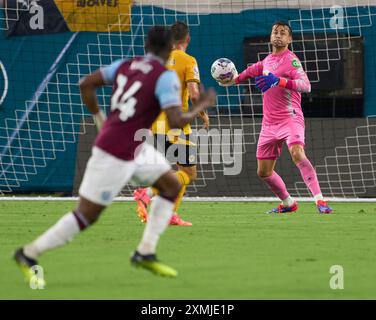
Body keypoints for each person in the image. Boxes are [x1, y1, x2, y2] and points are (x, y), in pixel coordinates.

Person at [13, 26, 216, 283]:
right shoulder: (164, 76)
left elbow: (86, 83)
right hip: (115, 154)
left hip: (134, 147)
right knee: (86, 215)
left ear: (146, 46)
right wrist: (200, 105)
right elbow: (176, 121)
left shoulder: (125, 65)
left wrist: (100, 120)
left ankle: (145, 252)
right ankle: (29, 253)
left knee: (171, 184)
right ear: (167, 50)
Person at [220, 21, 332, 214]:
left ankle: (320, 201)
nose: (278, 35)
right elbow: (246, 73)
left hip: (290, 118)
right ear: (271, 37)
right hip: (269, 124)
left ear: (289, 39)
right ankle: (289, 203)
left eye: (283, 33)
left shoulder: (292, 60)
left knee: (297, 153)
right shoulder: (267, 62)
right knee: (263, 172)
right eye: (275, 32)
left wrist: (278, 81)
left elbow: (306, 86)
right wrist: (230, 81)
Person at [133, 21, 209, 226]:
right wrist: (202, 113)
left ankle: (168, 214)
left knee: (177, 170)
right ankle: (146, 193)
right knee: (188, 173)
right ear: (188, 39)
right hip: (175, 124)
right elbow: (194, 93)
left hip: (151, 124)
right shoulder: (188, 60)